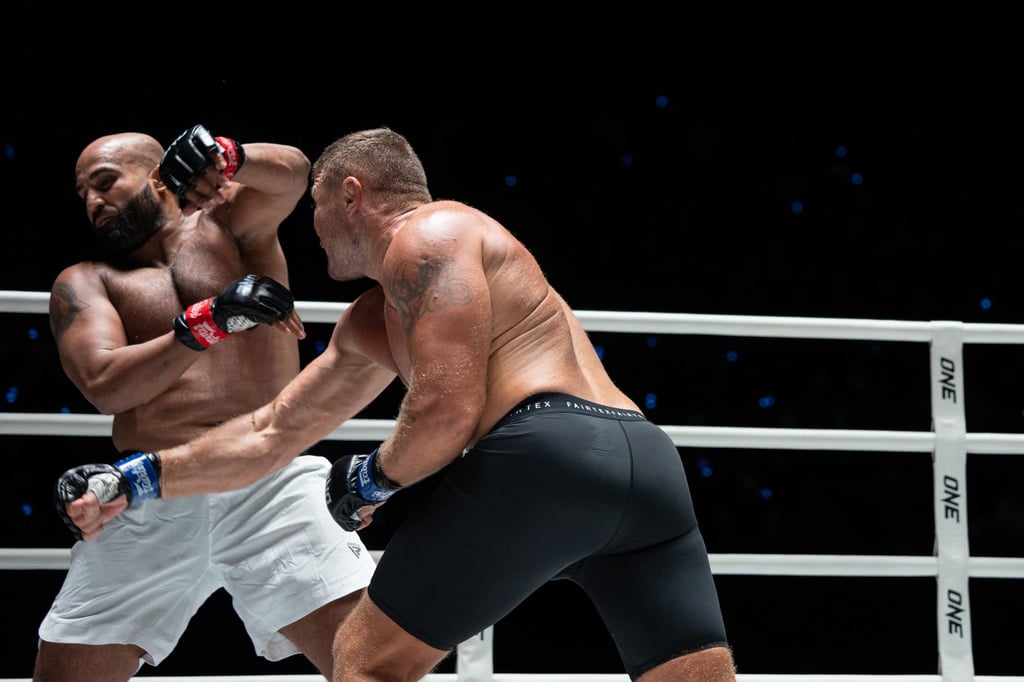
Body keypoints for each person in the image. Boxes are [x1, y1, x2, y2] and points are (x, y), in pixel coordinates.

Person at [61, 127, 737, 681]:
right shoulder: (371, 319)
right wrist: (137, 477)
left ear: (351, 196)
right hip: (644, 465)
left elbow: (446, 409)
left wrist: (371, 479)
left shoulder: (432, 233)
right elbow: (271, 433)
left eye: (321, 213)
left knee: (363, 663)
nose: (314, 232)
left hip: (545, 456)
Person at [38, 124, 376, 682]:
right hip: (147, 490)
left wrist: (230, 155)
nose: (94, 203)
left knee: (370, 668)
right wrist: (210, 321)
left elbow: (295, 175)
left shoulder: (228, 225)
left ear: (156, 176)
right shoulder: (86, 280)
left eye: (104, 183)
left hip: (271, 479)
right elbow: (105, 386)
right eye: (84, 196)